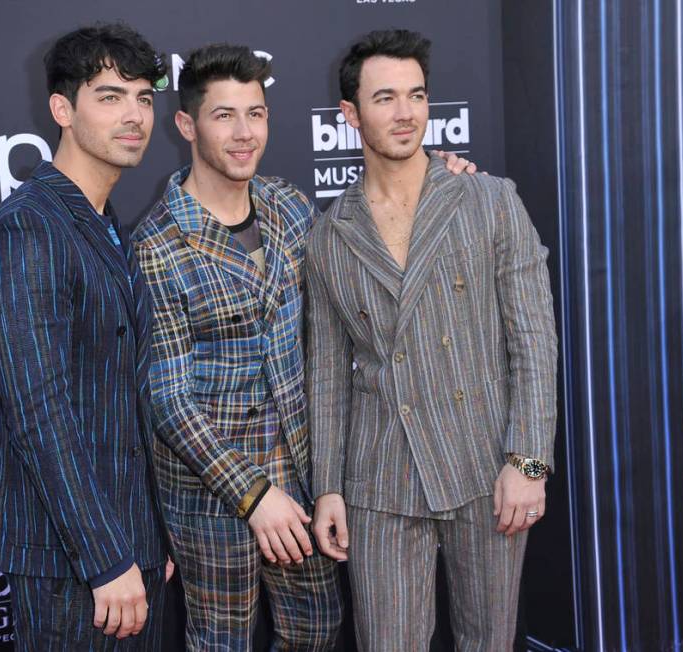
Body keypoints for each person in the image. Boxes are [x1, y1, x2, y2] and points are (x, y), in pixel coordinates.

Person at [307, 29, 557, 651]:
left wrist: (527, 461)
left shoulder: (490, 201)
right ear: (350, 114)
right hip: (379, 481)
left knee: (490, 643)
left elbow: (533, 338)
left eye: (416, 96)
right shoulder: (329, 235)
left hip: (484, 471)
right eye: (385, 98)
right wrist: (329, 487)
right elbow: (330, 372)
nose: (405, 113)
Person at [131, 44, 343, 651]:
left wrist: (442, 182)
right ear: (186, 125)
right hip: (212, 495)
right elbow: (168, 400)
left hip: (303, 479)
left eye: (256, 113)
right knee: (221, 642)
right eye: (224, 115)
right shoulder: (158, 246)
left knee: (317, 636)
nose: (245, 132)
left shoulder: (291, 207)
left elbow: (366, 240)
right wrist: (253, 495)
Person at [0, 23, 172, 651]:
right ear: (62, 109)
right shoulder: (27, 229)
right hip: (73, 563)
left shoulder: (105, 223)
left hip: (128, 548)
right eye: (110, 96)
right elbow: (40, 413)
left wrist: (148, 539)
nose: (134, 114)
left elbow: (121, 400)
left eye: (143, 96)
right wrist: (107, 557)